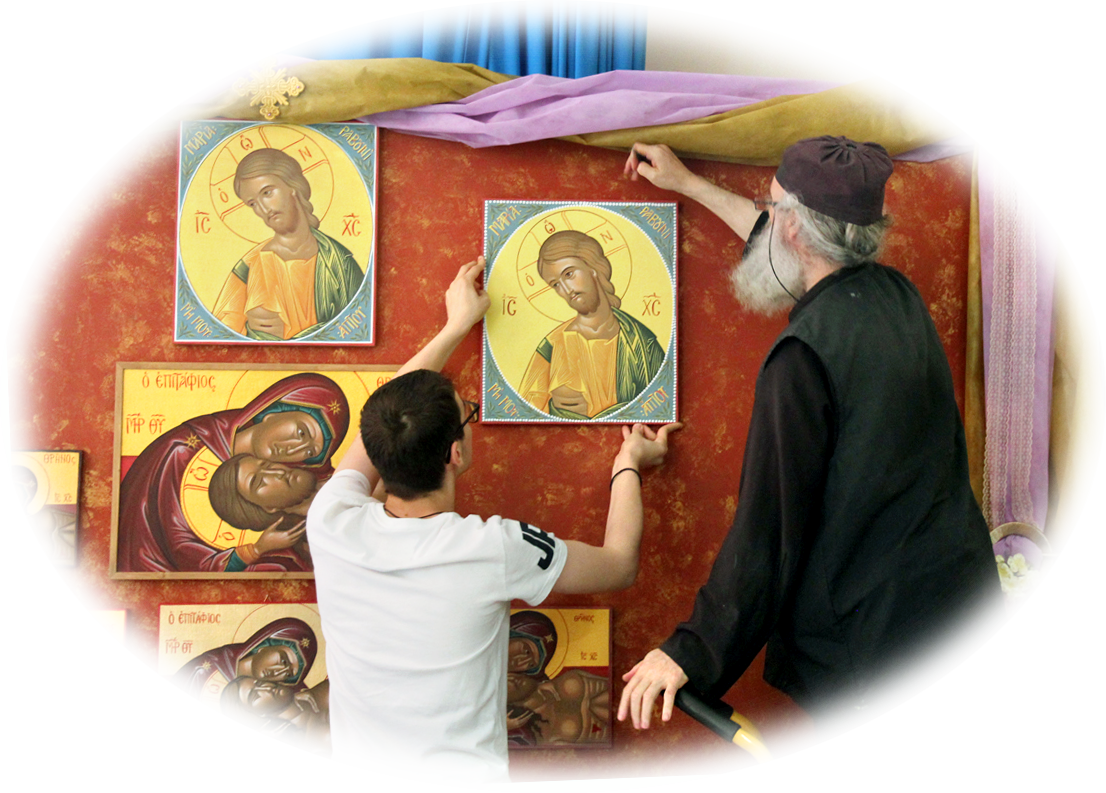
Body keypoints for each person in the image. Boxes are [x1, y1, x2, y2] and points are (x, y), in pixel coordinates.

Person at [616, 137, 1011, 769]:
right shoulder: (896, 295)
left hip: (888, 677)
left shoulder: (801, 358)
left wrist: (689, 652)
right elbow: (782, 246)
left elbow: (767, 533)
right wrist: (688, 184)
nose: (766, 216)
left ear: (795, 228)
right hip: (969, 639)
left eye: (772, 206)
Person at [307, 257, 681, 784]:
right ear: (456, 454)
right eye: (468, 412)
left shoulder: (330, 521)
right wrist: (628, 465)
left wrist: (455, 326)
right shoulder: (494, 548)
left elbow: (385, 415)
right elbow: (619, 565)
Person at [116, 373, 348, 573]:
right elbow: (182, 550)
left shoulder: (291, 482)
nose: (295, 449)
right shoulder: (181, 454)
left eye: (310, 452)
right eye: (301, 432)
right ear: (271, 413)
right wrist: (254, 550)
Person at [211, 148, 364, 340]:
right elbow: (219, 335)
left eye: (267, 192)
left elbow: (360, 326)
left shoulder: (339, 263)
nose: (264, 209)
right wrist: (251, 330)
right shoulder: (248, 267)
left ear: (292, 186)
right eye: (253, 204)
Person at [518, 230, 666, 419]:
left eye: (569, 274)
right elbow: (524, 413)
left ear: (592, 267)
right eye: (556, 284)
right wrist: (556, 409)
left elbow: (661, 404)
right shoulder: (552, 346)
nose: (566, 290)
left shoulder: (641, 342)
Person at [157, 616, 318, 764]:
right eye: (282, 660)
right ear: (262, 646)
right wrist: (247, 746)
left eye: (289, 674)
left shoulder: (280, 693)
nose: (279, 672)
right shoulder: (202, 674)